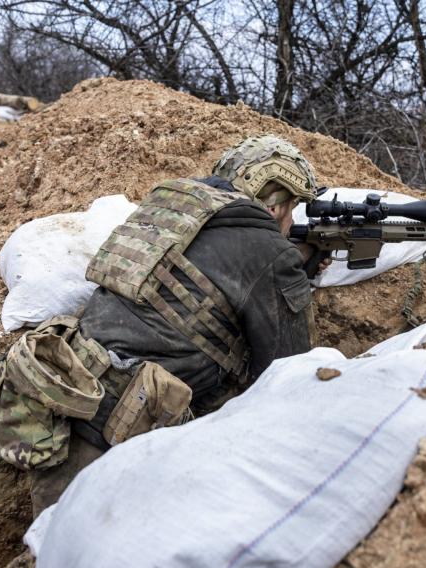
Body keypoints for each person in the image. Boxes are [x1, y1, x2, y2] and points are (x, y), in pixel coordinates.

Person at [18, 135, 321, 516]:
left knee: (54, 557)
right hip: (128, 441)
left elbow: (197, 288)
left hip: (66, 406)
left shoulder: (169, 207)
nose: (292, 221)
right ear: (274, 204)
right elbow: (285, 375)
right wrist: (288, 275)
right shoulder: (268, 250)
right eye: (292, 207)